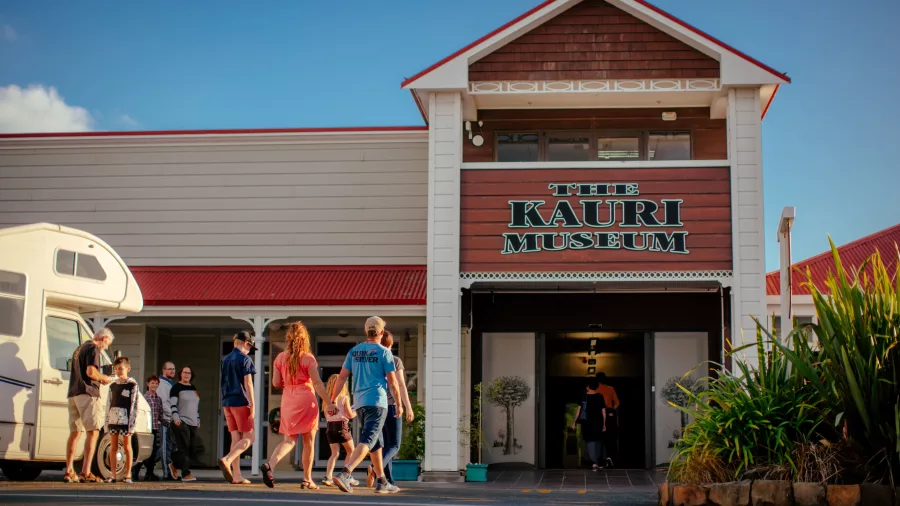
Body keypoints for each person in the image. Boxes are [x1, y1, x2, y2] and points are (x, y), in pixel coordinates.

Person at [328, 316, 403, 495]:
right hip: (377, 402)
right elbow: (393, 382)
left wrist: (332, 400)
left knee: (377, 443)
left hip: (360, 403)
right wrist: (399, 403)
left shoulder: (354, 351)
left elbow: (342, 377)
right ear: (381, 332)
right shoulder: (384, 352)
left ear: (365, 332)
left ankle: (382, 481)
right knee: (369, 440)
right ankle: (346, 473)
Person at [259, 322, 334, 490]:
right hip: (306, 398)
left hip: (288, 399)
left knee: (289, 440)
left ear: (288, 338)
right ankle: (307, 479)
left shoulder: (280, 358)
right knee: (309, 441)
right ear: (304, 338)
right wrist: (329, 403)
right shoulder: (307, 358)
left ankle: (270, 464)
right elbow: (317, 383)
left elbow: (276, 382)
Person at [64, 327, 115, 484]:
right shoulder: (94, 348)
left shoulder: (79, 348)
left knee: (75, 433)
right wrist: (105, 378)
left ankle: (69, 470)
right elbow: (91, 372)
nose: (106, 347)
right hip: (87, 393)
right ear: (104, 338)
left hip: (73, 393)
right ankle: (86, 472)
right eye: (107, 344)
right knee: (93, 432)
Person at [217, 331, 257, 485]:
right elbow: (248, 384)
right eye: (250, 346)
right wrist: (252, 404)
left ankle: (237, 475)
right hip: (241, 401)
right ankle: (227, 459)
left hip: (227, 402)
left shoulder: (225, 359)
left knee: (236, 439)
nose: (249, 350)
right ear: (245, 343)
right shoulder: (245, 359)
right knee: (249, 437)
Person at [376, 330, 415, 488]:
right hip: (392, 406)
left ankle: (386, 482)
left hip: (377, 406)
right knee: (394, 445)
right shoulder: (395, 360)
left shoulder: (375, 360)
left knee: (385, 446)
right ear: (391, 344)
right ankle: (375, 468)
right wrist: (408, 407)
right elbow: (400, 385)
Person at [105, 356, 140, 483]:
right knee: (113, 447)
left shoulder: (132, 385)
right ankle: (113, 475)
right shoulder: (112, 385)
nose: (118, 371)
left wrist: (132, 425)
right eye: (116, 369)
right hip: (113, 420)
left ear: (128, 369)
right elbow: (108, 404)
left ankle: (128, 474)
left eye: (121, 369)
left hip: (126, 421)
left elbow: (134, 405)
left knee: (126, 446)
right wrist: (106, 423)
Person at [322, 374, 359, 488]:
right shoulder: (344, 398)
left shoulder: (326, 400)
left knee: (334, 453)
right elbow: (350, 414)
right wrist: (356, 410)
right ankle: (346, 476)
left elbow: (326, 415)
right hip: (342, 426)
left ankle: (328, 477)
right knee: (351, 451)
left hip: (330, 427)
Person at [169, 366, 203, 482]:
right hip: (181, 421)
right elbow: (172, 403)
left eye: (189, 373)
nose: (187, 375)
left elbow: (195, 406)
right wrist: (175, 417)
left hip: (193, 422)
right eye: (184, 372)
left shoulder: (193, 388)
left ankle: (173, 463)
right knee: (184, 447)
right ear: (181, 374)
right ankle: (185, 473)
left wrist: (198, 418)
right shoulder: (176, 388)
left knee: (194, 448)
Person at [572, 379, 607, 471]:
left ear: (588, 387)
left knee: (590, 442)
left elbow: (579, 410)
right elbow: (603, 411)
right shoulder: (600, 396)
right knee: (598, 441)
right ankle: (597, 461)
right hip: (598, 422)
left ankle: (594, 462)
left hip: (587, 422)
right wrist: (604, 424)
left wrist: (574, 422)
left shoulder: (584, 397)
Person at [133, 375, 163, 481]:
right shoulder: (144, 398)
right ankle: (135, 471)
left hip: (155, 428)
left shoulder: (159, 399)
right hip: (146, 428)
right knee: (144, 452)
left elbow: (160, 415)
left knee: (153, 452)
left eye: (156, 383)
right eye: (152, 383)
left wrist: (166, 423)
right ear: (148, 384)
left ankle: (149, 473)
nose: (154, 385)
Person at [156, 361, 177, 480]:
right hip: (164, 421)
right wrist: (172, 415)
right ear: (163, 370)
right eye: (169, 369)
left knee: (168, 447)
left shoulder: (169, 384)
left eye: (173, 369)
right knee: (164, 448)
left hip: (169, 420)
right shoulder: (162, 384)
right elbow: (164, 403)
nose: (172, 371)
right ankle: (166, 474)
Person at [595, 372, 620, 468]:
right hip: (609, 413)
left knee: (599, 436)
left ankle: (599, 459)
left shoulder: (595, 389)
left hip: (598, 413)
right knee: (610, 436)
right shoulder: (610, 389)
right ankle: (610, 457)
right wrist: (612, 409)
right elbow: (617, 403)